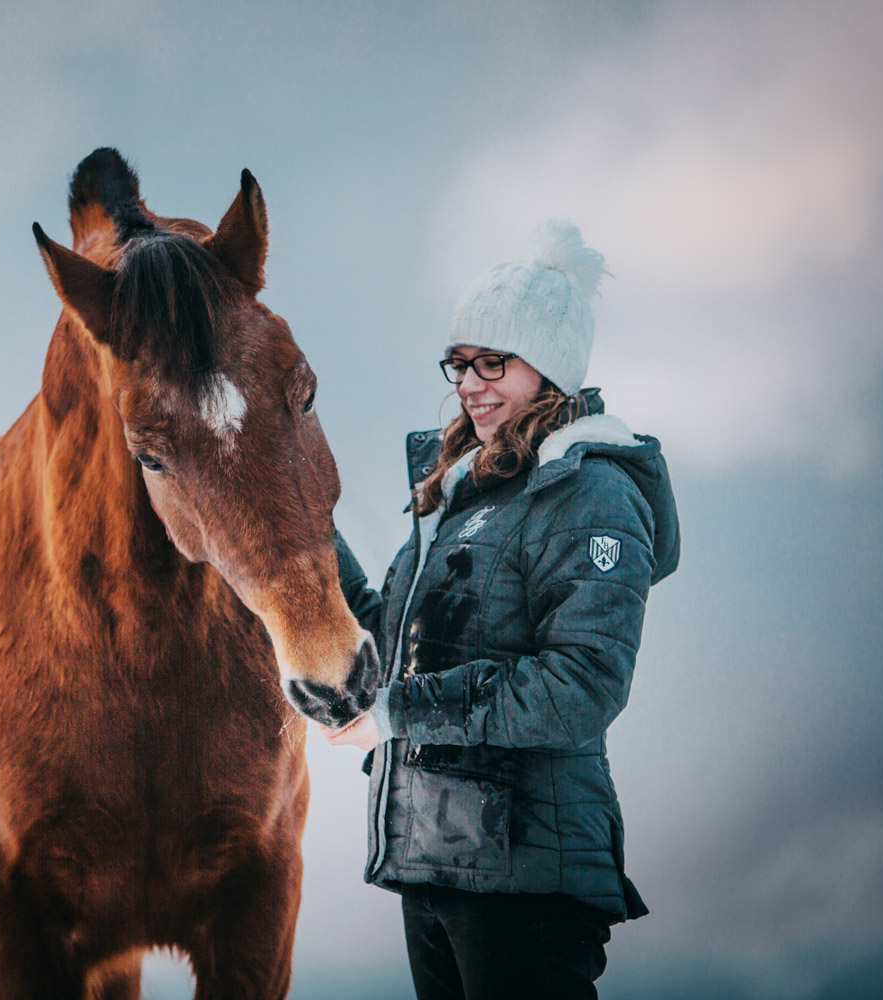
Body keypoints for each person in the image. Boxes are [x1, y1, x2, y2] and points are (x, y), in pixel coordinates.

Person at [325, 220, 680, 999]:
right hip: (433, 862)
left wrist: (397, 714)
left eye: (494, 362)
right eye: (458, 364)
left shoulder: (593, 493)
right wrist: (299, 537)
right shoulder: (462, 492)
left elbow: (579, 688)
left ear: (550, 368)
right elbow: (396, 645)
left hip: (527, 883)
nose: (469, 383)